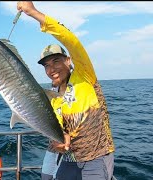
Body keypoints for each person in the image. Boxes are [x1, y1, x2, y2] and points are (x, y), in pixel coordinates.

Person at [17, 1, 115, 180]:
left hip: (96, 158)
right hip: (69, 159)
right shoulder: (52, 97)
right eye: (46, 65)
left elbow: (71, 40)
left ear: (68, 60)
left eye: (56, 61)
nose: (51, 69)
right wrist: (60, 139)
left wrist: (34, 13)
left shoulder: (85, 76)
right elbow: (59, 128)